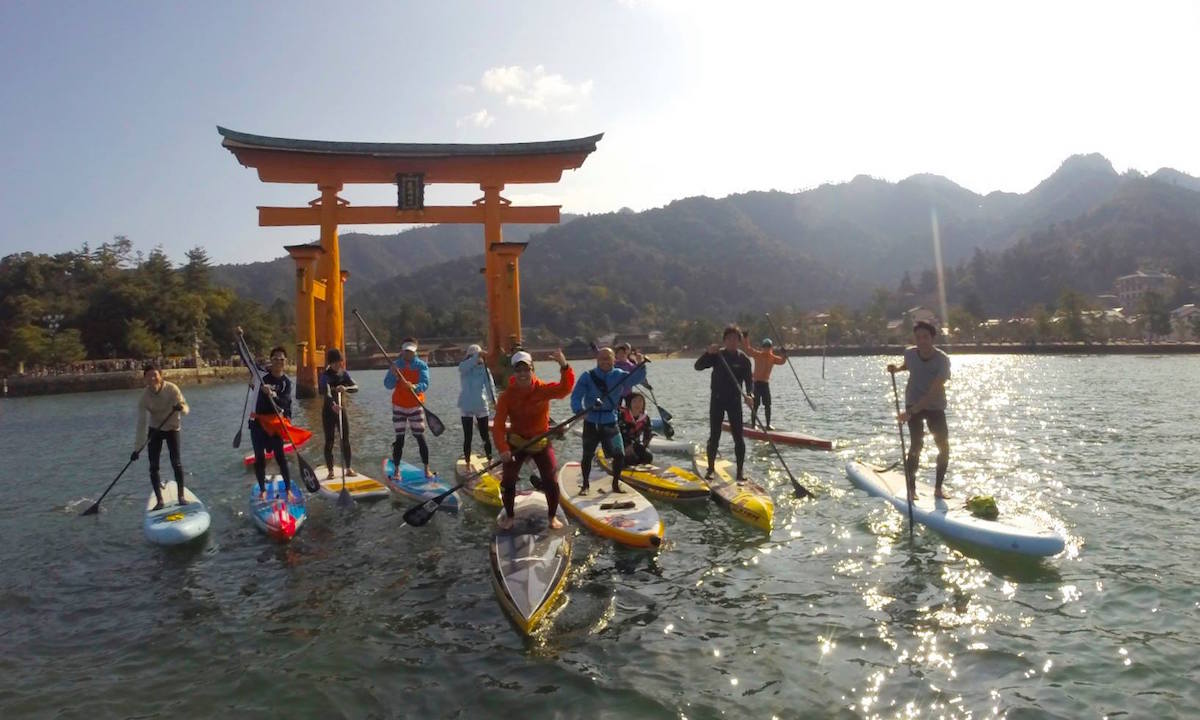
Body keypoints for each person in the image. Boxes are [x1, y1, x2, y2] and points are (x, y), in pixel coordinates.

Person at [492, 349, 574, 530]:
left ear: (532, 370)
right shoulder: (506, 396)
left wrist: (563, 365)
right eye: (518, 370)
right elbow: (498, 426)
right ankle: (510, 516)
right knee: (508, 480)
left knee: (551, 481)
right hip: (517, 442)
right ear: (514, 373)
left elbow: (565, 389)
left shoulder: (543, 389)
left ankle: (552, 517)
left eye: (526, 369)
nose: (523, 374)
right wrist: (503, 448)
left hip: (540, 441)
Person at [887, 320, 952, 499]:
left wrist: (910, 412)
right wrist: (897, 369)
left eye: (925, 337)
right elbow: (908, 365)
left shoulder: (942, 360)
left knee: (943, 447)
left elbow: (933, 393)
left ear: (932, 338)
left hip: (934, 405)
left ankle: (938, 489)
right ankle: (911, 490)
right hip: (912, 401)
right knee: (917, 445)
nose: (922, 341)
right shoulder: (909, 353)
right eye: (918, 338)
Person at [570, 346, 647, 494]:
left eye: (608, 358)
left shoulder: (620, 375)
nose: (605, 361)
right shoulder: (587, 376)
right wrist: (578, 410)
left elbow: (636, 378)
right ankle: (585, 485)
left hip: (610, 421)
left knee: (619, 454)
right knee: (587, 454)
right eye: (602, 358)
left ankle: (615, 484)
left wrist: (640, 365)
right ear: (597, 360)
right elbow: (576, 396)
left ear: (614, 360)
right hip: (591, 421)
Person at [695, 325, 754, 482]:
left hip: (734, 402)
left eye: (735, 339)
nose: (732, 341)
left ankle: (740, 472)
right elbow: (698, 366)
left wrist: (750, 395)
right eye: (729, 339)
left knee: (738, 438)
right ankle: (710, 469)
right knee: (715, 436)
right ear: (724, 341)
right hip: (717, 400)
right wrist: (708, 353)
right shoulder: (717, 356)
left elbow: (749, 382)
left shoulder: (744, 360)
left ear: (739, 342)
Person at [132, 363, 189, 510]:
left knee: (176, 462)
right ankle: (159, 501)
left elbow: (186, 408)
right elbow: (141, 423)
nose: (152, 378)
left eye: (155, 375)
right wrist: (137, 449)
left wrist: (180, 408)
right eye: (148, 375)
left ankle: (181, 497)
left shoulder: (172, 389)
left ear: (160, 375)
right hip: (155, 429)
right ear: (144, 378)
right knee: (153, 466)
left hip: (172, 427)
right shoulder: (144, 397)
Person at [384, 337, 433, 478]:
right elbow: (388, 385)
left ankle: (426, 469)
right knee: (400, 439)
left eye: (411, 352)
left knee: (420, 437)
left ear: (415, 351)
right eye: (406, 351)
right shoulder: (396, 365)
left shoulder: (421, 366)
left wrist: (414, 386)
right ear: (402, 350)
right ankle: (397, 471)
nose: (408, 354)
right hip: (399, 405)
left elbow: (425, 384)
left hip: (415, 405)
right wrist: (394, 375)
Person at [249, 346, 294, 499]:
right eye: (275, 359)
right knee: (259, 458)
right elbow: (248, 361)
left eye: (281, 359)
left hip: (275, 423)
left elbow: (285, 403)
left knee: (280, 457)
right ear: (271, 360)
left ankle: (288, 489)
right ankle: (262, 489)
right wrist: (237, 339)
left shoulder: (286, 382)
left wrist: (272, 394)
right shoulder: (261, 376)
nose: (278, 362)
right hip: (258, 423)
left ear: (285, 361)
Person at [319, 347, 358, 479]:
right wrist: (333, 404)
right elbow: (326, 392)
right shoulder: (325, 376)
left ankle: (348, 468)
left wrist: (345, 388)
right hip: (329, 411)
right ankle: (330, 471)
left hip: (342, 410)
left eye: (339, 361)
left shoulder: (344, 374)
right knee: (329, 441)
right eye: (335, 362)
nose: (338, 364)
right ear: (330, 363)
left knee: (345, 439)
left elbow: (355, 387)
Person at [457, 344, 494, 461]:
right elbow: (463, 367)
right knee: (468, 437)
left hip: (481, 405)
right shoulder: (464, 367)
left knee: (485, 436)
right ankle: (467, 462)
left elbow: (490, 387)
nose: (477, 359)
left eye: (478, 356)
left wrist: (494, 402)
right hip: (466, 406)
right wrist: (477, 355)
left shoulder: (484, 370)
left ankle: (489, 459)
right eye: (473, 356)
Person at [743, 336, 787, 430]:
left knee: (768, 405)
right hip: (756, 383)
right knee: (756, 404)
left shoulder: (773, 358)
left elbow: (782, 361)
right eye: (765, 346)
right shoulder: (758, 354)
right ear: (762, 347)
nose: (766, 348)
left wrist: (784, 354)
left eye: (768, 346)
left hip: (765, 384)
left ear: (771, 348)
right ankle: (753, 424)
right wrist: (746, 337)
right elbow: (748, 349)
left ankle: (768, 425)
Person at [619, 392, 654, 466]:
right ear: (629, 403)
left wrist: (645, 444)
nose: (638, 404)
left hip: (635, 444)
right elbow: (616, 433)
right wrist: (626, 447)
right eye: (634, 401)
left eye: (640, 401)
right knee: (631, 459)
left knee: (648, 457)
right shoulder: (622, 416)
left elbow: (647, 434)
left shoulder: (645, 418)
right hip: (620, 445)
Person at [613, 342, 638, 408]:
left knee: (629, 407)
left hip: (627, 391)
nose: (621, 355)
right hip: (617, 391)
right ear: (616, 355)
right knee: (616, 407)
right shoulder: (614, 365)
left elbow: (638, 374)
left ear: (626, 354)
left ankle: (629, 417)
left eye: (623, 353)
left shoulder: (630, 364)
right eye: (619, 353)